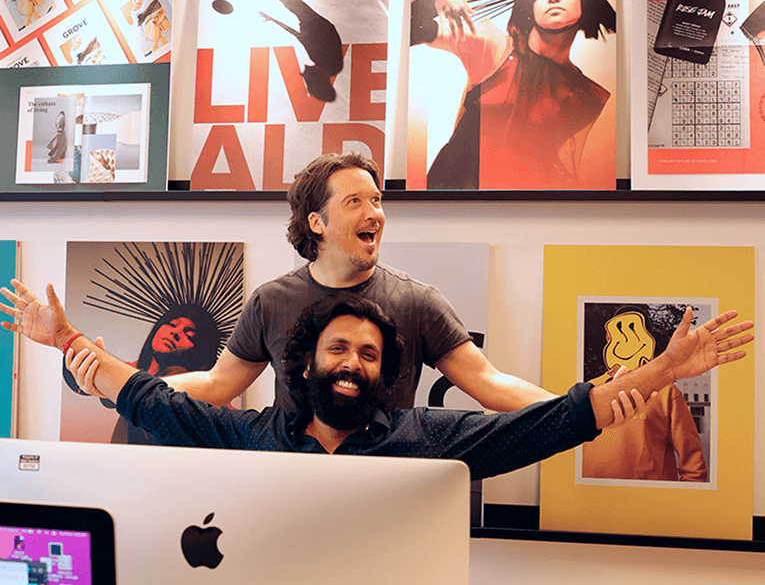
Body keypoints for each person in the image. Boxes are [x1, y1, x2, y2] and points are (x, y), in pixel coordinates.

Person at [0, 285, 753, 478]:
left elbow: (551, 422)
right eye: (338, 350)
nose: (353, 364)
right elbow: (149, 399)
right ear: (305, 363)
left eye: (367, 354)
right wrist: (63, 339)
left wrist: (662, 370)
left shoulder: (426, 440)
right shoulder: (246, 435)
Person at [157, 151, 563, 415]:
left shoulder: (417, 301)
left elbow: (488, 383)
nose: (375, 214)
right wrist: (130, 386)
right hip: (292, 492)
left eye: (377, 200)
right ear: (317, 222)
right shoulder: (271, 301)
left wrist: (581, 407)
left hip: (383, 496)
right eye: (355, 202)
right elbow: (216, 383)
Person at [411, 0, 615, 190]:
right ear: (529, 5)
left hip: (519, 208)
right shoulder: (492, 45)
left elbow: (565, 170)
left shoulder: (586, 96)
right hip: (449, 196)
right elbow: (410, 26)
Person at [64, 303, 222, 445]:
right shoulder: (127, 371)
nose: (176, 333)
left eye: (189, 336)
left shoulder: (200, 396)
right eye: (173, 324)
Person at [581, 306, 708, 482]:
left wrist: (689, 501)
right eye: (619, 330)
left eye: (634, 328)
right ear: (608, 337)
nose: (627, 337)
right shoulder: (589, 390)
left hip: (651, 502)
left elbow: (693, 461)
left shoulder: (667, 391)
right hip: (589, 500)